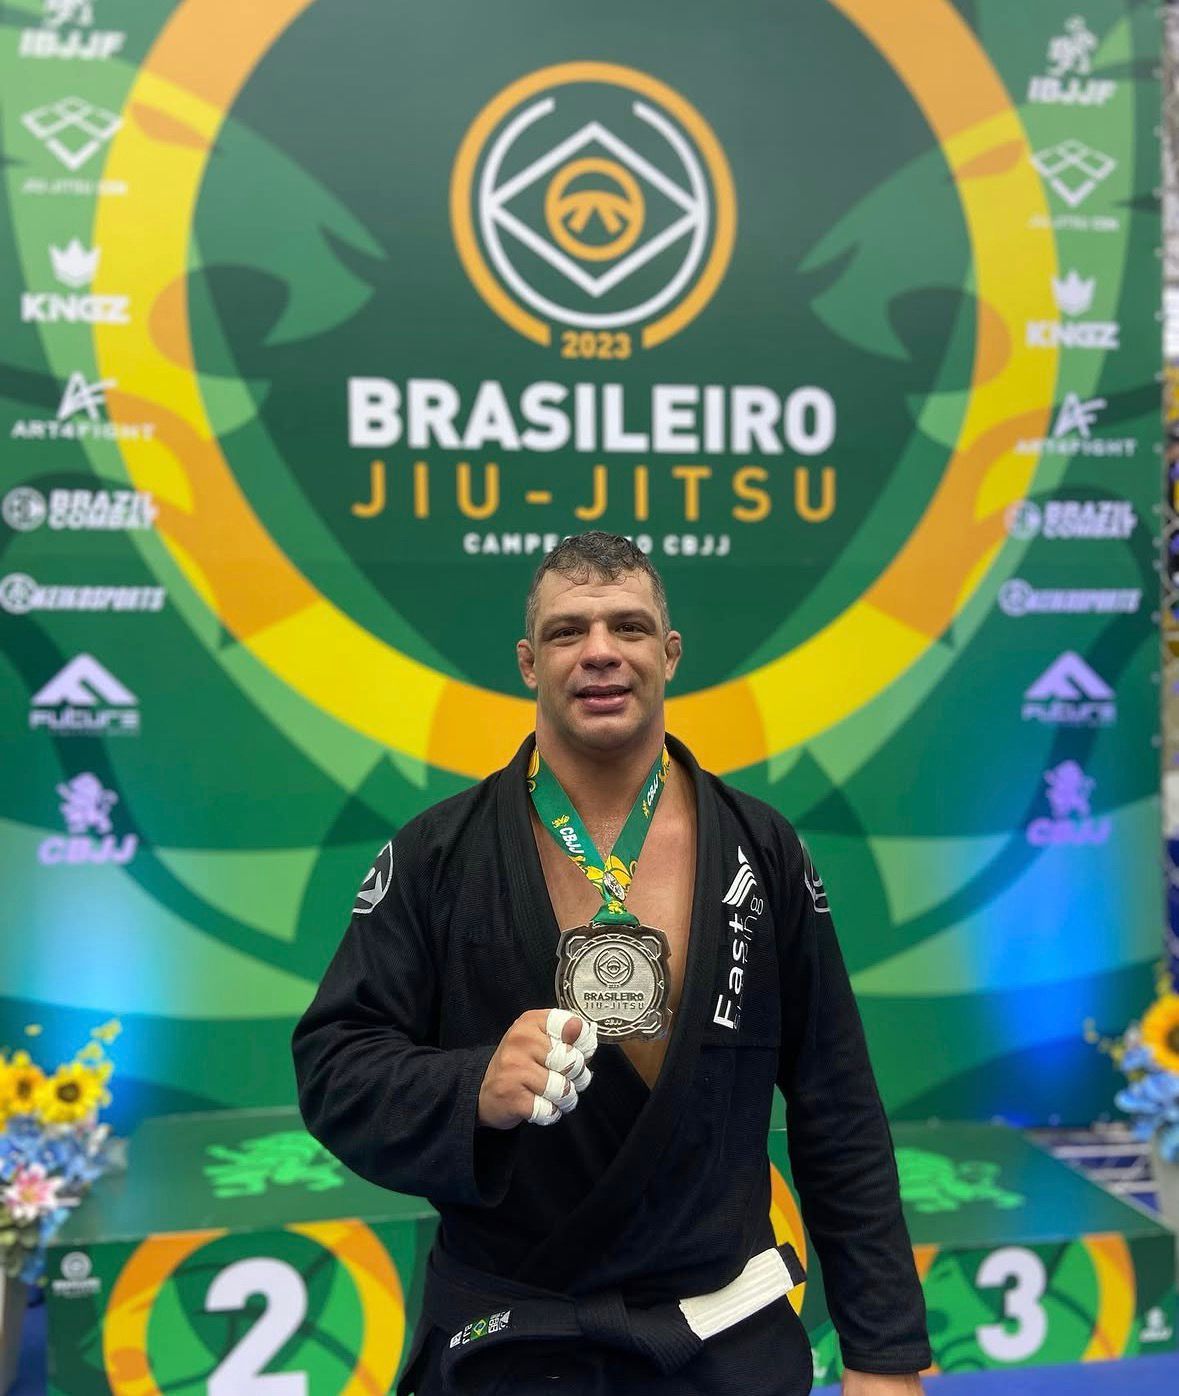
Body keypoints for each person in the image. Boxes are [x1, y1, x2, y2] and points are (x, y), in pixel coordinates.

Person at [293, 532, 930, 1395]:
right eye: (567, 631)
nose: (600, 651)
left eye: (628, 627)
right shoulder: (436, 854)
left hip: (720, 1345)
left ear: (669, 654)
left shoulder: (760, 850)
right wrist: (471, 1086)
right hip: (512, 1347)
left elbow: (836, 1101)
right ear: (528, 662)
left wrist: (884, 1354)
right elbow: (335, 1068)